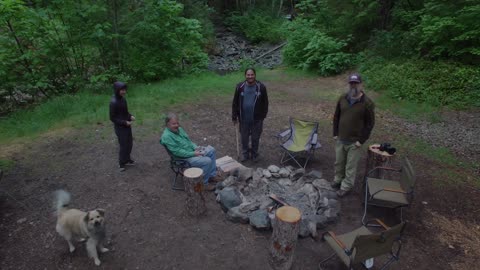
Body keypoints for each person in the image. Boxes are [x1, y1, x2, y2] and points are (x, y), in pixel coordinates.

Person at [332, 73, 375, 197]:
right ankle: (337, 180)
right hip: (341, 138)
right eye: (351, 83)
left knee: (350, 166)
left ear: (361, 84)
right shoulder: (342, 98)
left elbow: (370, 124)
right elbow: (336, 116)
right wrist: (335, 133)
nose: (353, 86)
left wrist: (361, 141)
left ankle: (346, 186)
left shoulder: (367, 103)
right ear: (348, 84)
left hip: (354, 142)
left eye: (356, 83)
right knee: (339, 162)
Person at [160, 113, 219, 191]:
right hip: (183, 159)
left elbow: (189, 141)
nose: (176, 125)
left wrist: (196, 147)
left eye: (177, 123)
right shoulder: (166, 136)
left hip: (191, 152)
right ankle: (204, 184)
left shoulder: (179, 129)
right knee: (207, 161)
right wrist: (194, 153)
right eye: (174, 124)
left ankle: (211, 175)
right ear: (167, 124)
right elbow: (178, 152)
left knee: (211, 150)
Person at [232, 68, 269, 162]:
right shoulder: (240, 87)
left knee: (255, 138)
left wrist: (262, 116)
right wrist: (234, 116)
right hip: (243, 119)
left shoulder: (261, 87)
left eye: (252, 74)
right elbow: (235, 102)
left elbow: (265, 103)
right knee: (244, 138)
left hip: (257, 119)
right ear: (245, 75)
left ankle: (254, 154)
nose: (250, 76)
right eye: (248, 75)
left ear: (255, 75)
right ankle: (245, 154)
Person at [109, 81, 135, 172]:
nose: (124, 92)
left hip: (127, 126)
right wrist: (124, 122)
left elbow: (125, 112)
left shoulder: (123, 99)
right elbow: (112, 118)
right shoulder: (113, 102)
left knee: (129, 143)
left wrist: (130, 116)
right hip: (120, 128)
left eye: (125, 90)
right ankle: (121, 163)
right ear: (117, 90)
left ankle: (127, 159)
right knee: (124, 145)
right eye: (122, 90)